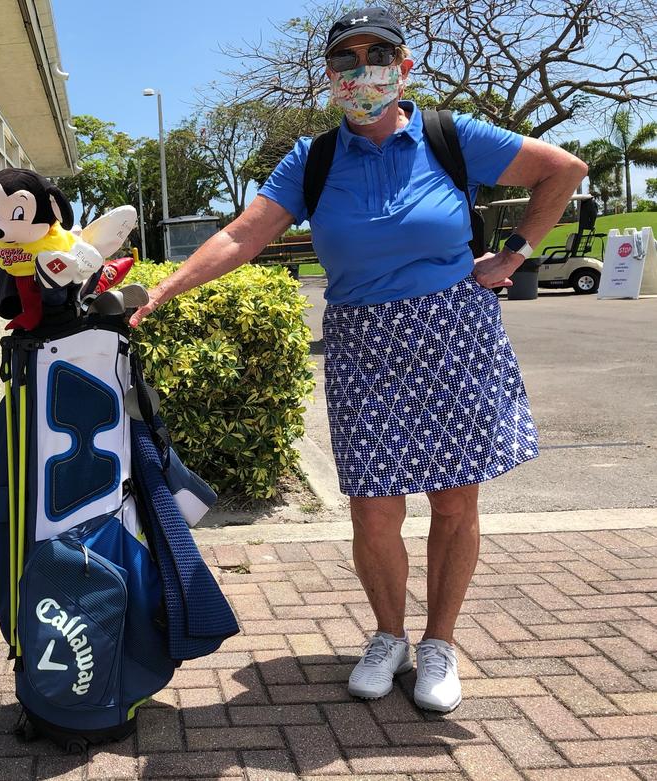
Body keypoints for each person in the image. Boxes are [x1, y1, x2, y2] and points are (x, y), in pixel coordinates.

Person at [129, 7, 587, 712]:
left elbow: (563, 170)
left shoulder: (450, 136)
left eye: (378, 54)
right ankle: (388, 634)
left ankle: (438, 642)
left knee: (453, 500)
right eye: (346, 59)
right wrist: (166, 286)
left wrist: (515, 251)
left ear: (405, 68)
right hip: (362, 342)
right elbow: (244, 235)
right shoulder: (311, 160)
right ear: (330, 77)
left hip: (451, 333)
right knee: (373, 508)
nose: (361, 69)